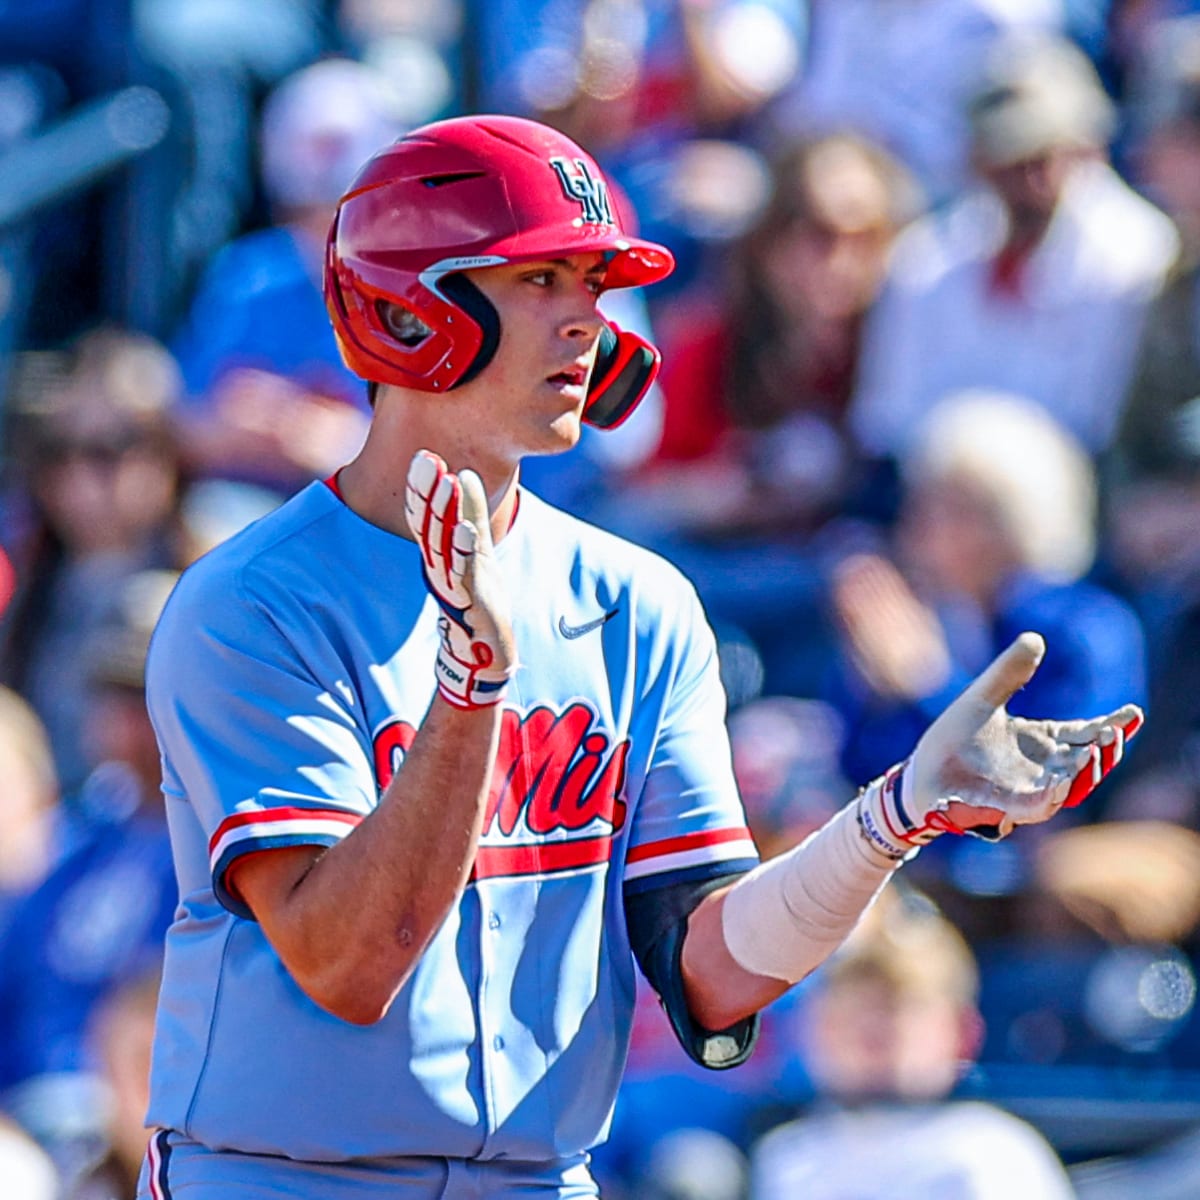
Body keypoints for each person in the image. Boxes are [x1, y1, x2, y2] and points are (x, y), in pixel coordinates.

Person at [138, 114, 1142, 1199]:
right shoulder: (251, 602)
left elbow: (707, 970)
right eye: (541, 282)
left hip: (539, 1177)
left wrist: (892, 817)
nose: (588, 323)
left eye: (596, 286)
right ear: (407, 304)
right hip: (281, 1181)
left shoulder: (638, 600)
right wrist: (472, 688)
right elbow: (349, 963)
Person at [749, 890, 1077, 1198]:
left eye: (893, 1010)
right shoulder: (787, 1156)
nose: (868, 1030)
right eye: (851, 1011)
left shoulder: (992, 1154)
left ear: (961, 1033)